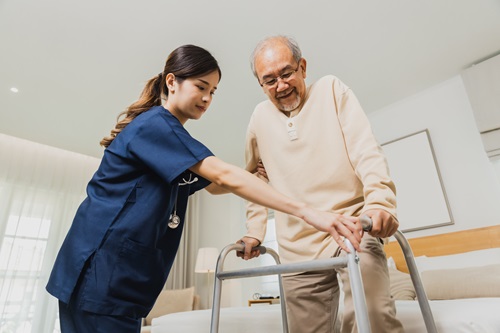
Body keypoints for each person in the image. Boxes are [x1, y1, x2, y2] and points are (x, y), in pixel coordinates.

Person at [45, 44, 363, 333]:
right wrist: (309, 212)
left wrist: (256, 171)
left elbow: (213, 186)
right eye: (201, 87)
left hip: (118, 280)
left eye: (213, 91)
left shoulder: (172, 140)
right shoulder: (155, 125)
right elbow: (223, 176)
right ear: (172, 82)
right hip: (100, 271)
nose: (208, 98)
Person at [238, 36, 404, 333]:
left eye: (287, 73)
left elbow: (366, 150)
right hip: (296, 246)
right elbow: (254, 177)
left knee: (373, 314)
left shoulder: (330, 89)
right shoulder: (259, 118)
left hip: (350, 228)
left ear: (302, 67)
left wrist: (380, 203)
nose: (281, 85)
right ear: (261, 86)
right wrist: (254, 232)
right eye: (270, 80)